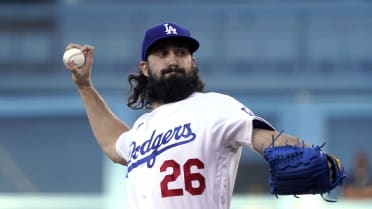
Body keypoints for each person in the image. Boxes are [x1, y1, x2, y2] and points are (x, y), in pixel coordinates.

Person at [64, 22, 344, 209]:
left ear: (192, 63)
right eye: (162, 53)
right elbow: (114, 144)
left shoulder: (215, 107)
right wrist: (85, 86)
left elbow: (262, 138)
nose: (173, 60)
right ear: (145, 68)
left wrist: (312, 155)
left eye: (181, 53)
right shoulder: (141, 129)